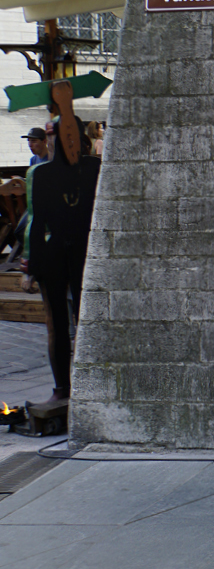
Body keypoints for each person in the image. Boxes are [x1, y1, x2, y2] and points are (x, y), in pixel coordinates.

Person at [20, 114, 100, 407]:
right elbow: (36, 222)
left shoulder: (92, 167)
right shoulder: (40, 174)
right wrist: (29, 265)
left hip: (83, 249)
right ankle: (62, 386)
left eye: (71, 138)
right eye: (57, 138)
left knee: (87, 319)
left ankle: (89, 382)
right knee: (56, 322)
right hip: (54, 252)